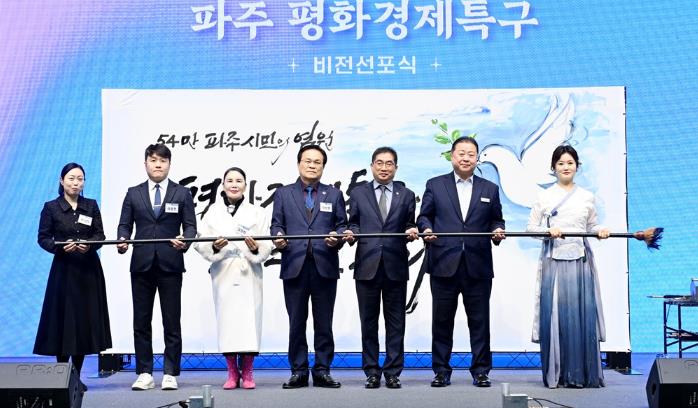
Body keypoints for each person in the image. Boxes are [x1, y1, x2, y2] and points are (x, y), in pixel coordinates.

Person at [417, 136, 505, 388]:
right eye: (461, 153)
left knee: (480, 322)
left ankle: (481, 371)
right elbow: (424, 216)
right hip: (444, 263)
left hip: (478, 265)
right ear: (452, 156)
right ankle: (441, 370)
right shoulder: (436, 185)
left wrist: (498, 230)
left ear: (477, 159)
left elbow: (497, 220)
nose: (466, 158)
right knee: (441, 322)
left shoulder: (490, 189)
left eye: (471, 154)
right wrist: (426, 229)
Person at [526, 145, 609, 388]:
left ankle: (581, 374)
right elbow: (531, 229)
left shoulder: (587, 196)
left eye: (570, 163)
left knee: (582, 315)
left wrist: (600, 231)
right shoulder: (544, 196)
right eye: (561, 163)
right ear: (553, 167)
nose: (565, 167)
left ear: (577, 166)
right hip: (553, 261)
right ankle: (558, 374)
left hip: (580, 262)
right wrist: (547, 231)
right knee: (556, 316)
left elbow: (591, 226)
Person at [116, 144, 197, 391]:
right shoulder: (133, 193)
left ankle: (170, 372)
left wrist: (185, 241)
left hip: (171, 263)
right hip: (141, 264)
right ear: (145, 164)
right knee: (141, 321)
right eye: (153, 160)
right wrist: (122, 240)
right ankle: (144, 372)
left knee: (171, 321)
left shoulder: (182, 193)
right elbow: (124, 225)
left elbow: (191, 227)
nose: (158, 164)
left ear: (169, 164)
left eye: (163, 160)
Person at [271, 145, 347, 389]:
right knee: (296, 322)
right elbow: (276, 225)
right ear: (298, 164)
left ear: (323, 167)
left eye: (317, 162)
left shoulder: (334, 194)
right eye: (308, 161)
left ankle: (323, 370)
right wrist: (278, 237)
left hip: (325, 265)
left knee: (324, 322)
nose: (312, 165)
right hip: (294, 264)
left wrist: (337, 237)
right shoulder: (283, 193)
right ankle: (299, 371)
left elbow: (342, 226)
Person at [343, 147, 418, 389]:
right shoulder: (358, 193)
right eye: (379, 163)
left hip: (396, 265)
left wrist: (411, 230)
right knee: (369, 322)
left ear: (396, 167)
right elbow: (354, 223)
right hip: (367, 265)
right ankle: (372, 372)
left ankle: (393, 372)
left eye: (389, 163)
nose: (384, 168)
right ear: (372, 166)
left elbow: (409, 224)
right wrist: (351, 233)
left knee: (396, 323)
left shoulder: (407, 194)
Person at [35, 162, 112, 392]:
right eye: (71, 178)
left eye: (80, 179)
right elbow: (43, 238)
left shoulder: (91, 205)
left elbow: (100, 235)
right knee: (63, 320)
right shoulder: (51, 207)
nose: (76, 183)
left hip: (88, 270)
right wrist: (59, 247)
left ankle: (76, 377)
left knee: (83, 321)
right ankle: (62, 375)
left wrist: (89, 245)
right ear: (62, 181)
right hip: (64, 270)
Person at [194, 167, 272, 390]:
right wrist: (214, 247)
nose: (234, 184)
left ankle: (247, 372)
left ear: (246, 185)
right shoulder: (212, 213)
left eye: (239, 181)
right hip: (224, 271)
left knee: (250, 321)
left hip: (249, 270)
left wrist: (255, 248)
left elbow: (267, 243)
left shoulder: (258, 212)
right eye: (230, 180)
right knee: (227, 321)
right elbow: (200, 243)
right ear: (223, 185)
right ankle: (231, 372)